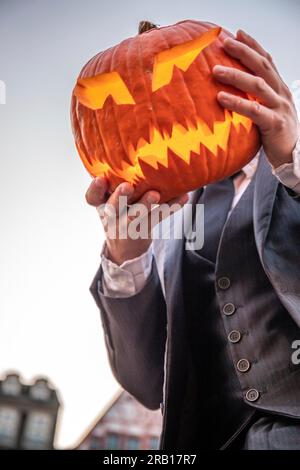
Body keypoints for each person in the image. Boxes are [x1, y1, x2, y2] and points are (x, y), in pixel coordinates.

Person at [85, 29, 300, 449]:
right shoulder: (162, 215)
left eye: (181, 79)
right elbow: (146, 382)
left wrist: (293, 162)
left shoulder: (292, 155)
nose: (161, 107)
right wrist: (125, 255)